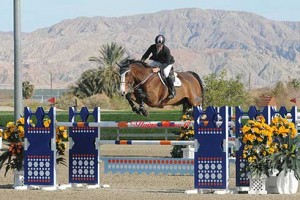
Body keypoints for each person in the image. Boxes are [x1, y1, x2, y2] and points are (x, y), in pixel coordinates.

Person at [141, 35, 176, 99]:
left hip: (167, 63)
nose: (159, 46)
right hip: (157, 61)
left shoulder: (166, 50)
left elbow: (167, 62)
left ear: (163, 44)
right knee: (148, 69)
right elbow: (146, 54)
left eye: (160, 45)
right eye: (157, 45)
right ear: (155, 43)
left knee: (165, 73)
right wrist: (141, 61)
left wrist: (159, 68)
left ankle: (172, 90)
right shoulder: (152, 47)